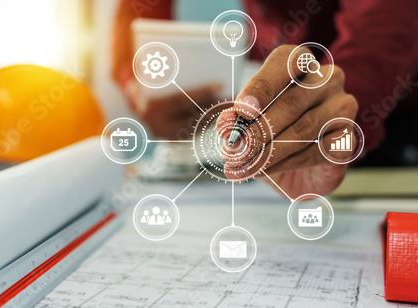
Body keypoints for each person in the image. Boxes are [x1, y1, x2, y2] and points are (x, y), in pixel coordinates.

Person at [112, 0, 418, 197]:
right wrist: (138, 84)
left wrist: (331, 119)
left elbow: (383, 26)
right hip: (276, 151)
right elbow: (136, 12)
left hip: (396, 128)